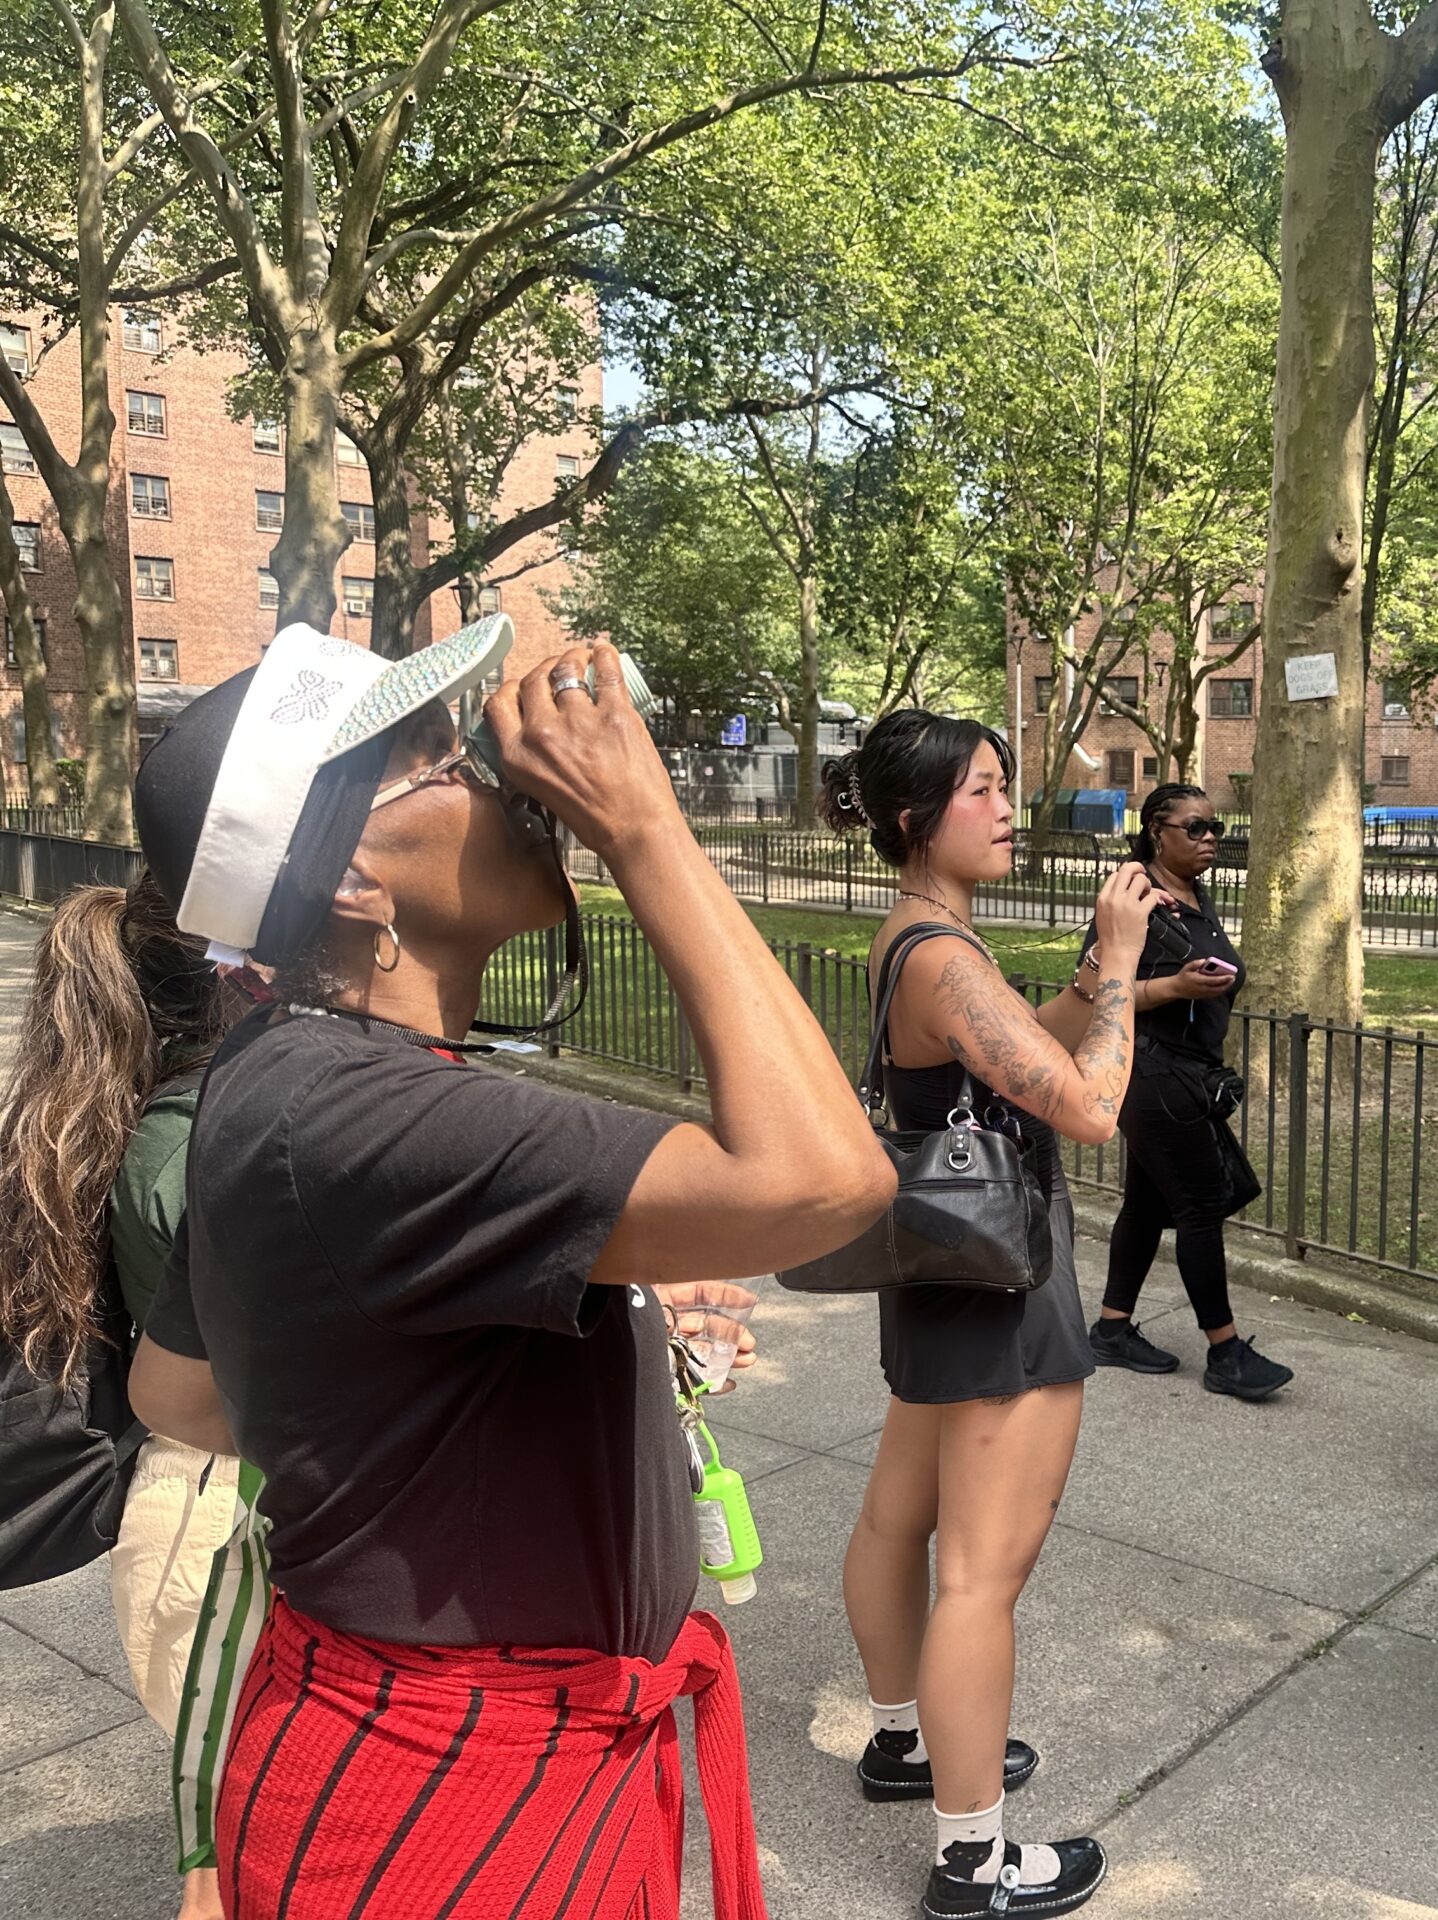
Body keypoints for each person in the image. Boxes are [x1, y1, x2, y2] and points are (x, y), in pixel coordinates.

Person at [126, 619, 894, 1920]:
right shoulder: (366, 1115)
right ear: (353, 878)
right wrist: (644, 826)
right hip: (453, 1808)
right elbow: (825, 1177)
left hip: (439, 1763)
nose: (499, 775)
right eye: (441, 756)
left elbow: (178, 1389)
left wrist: (521, 1311)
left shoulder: (282, 1075)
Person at [825, 712, 1152, 1920]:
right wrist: (1124, 970)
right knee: (979, 1579)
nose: (1008, 808)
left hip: (944, 1272)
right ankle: (973, 1862)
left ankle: (904, 1741)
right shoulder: (942, 958)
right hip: (1001, 1286)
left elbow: (1018, 1059)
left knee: (895, 1519)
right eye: (981, 790)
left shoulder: (920, 937)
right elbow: (1089, 1110)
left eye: (1005, 786)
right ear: (917, 818)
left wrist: (1089, 982)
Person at [0, 878, 236, 1920]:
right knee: (235, 1861)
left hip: (208, 1517)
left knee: (231, 1842)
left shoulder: (178, 1127)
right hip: (225, 1525)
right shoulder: (199, 1149)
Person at [1086, 782, 1294, 1398]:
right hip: (1152, 1075)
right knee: (1200, 1207)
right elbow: (1096, 991)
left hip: (1189, 1072)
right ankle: (1225, 1353)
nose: (1209, 839)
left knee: (1145, 1205)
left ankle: (1111, 1330)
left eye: (1215, 828)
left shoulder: (1194, 895)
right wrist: (1174, 987)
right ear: (1156, 831)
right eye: (1194, 828)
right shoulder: (1132, 897)